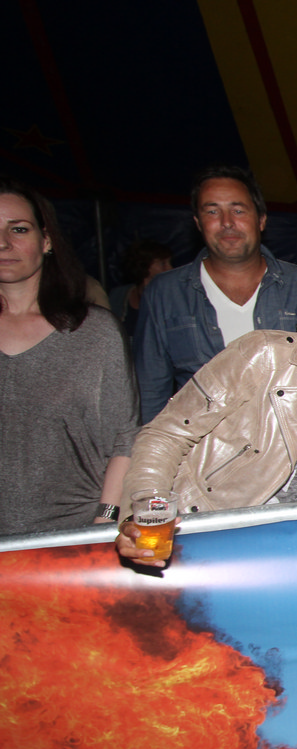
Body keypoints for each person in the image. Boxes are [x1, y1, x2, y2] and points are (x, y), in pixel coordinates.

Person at [116, 266, 297, 565]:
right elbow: (166, 434)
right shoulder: (267, 354)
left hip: (289, 554)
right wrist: (147, 514)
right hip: (202, 535)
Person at [134, 165, 297, 422]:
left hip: (289, 444)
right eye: (212, 211)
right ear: (198, 223)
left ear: (261, 220)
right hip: (198, 445)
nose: (227, 222)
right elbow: (150, 393)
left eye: (238, 210)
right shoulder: (165, 294)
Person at [0, 177, 138, 536]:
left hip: (73, 536)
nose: (3, 242)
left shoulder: (95, 332)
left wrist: (104, 522)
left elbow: (124, 438)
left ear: (46, 240)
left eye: (18, 229)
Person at [109, 238, 173, 341]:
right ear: (144, 265)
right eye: (163, 263)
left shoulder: (171, 297)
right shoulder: (118, 296)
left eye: (169, 262)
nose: (170, 268)